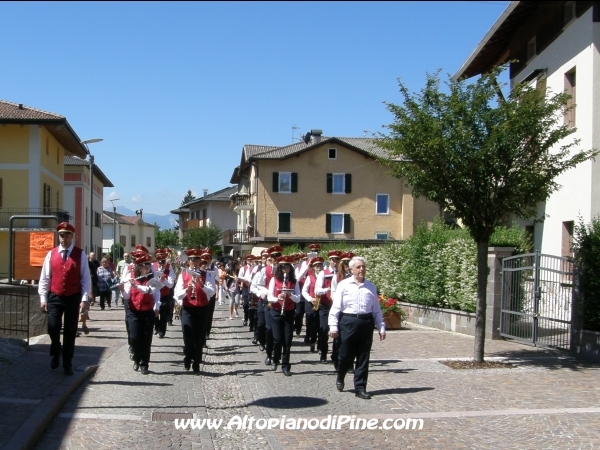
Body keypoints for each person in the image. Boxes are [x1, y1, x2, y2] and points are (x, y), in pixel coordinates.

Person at [38, 222, 92, 375]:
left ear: (71, 236)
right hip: (55, 295)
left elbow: (85, 279)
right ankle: (56, 350)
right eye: (61, 235)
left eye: (67, 235)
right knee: (53, 327)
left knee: (70, 330)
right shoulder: (51, 254)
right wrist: (43, 298)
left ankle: (67, 363)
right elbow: (45, 278)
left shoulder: (80, 254)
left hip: (72, 296)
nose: (64, 238)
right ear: (58, 236)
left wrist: (84, 299)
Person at [329, 257, 386, 399]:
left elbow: (376, 310)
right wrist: (333, 326)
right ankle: (340, 375)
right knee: (345, 354)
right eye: (358, 267)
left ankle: (360, 388)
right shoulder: (344, 285)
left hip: (366, 322)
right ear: (351, 269)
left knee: (363, 356)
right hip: (348, 321)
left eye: (363, 267)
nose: (361, 269)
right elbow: (336, 307)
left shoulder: (371, 286)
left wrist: (381, 326)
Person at [174, 249, 215, 373]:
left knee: (199, 337)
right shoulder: (183, 275)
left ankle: (196, 362)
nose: (195, 262)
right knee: (188, 335)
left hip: (202, 308)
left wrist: (201, 285)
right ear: (189, 261)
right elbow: (177, 294)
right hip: (188, 308)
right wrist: (187, 289)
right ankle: (188, 356)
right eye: (192, 259)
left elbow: (212, 292)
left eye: (197, 259)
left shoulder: (207, 274)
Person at [119, 253, 160, 374]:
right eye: (144, 266)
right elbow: (127, 295)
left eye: (148, 265)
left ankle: (144, 363)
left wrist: (136, 286)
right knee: (134, 338)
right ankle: (136, 359)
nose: (147, 268)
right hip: (133, 312)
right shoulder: (130, 276)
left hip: (147, 312)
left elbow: (151, 291)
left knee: (146, 339)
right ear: (138, 267)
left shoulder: (152, 278)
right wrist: (122, 290)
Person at [268, 255, 301, 376]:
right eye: (283, 267)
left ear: (290, 268)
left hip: (289, 312)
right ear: (280, 268)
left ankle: (286, 365)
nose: (285, 269)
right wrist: (277, 298)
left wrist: (289, 295)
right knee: (277, 340)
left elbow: (298, 299)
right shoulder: (274, 280)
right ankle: (275, 358)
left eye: (287, 267)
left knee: (287, 341)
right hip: (276, 312)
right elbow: (269, 297)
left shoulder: (294, 282)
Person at [314, 250, 342, 363]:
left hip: (338, 306)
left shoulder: (342, 274)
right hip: (325, 305)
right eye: (332, 260)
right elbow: (317, 290)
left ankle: (336, 354)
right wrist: (327, 289)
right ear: (329, 261)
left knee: (337, 331)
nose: (334, 262)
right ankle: (324, 353)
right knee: (324, 329)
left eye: (336, 260)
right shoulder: (323, 273)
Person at [302, 256, 324, 353]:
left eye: (320, 266)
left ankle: (320, 345)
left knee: (322, 326)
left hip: (323, 304)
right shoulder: (309, 277)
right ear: (313, 267)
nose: (319, 267)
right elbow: (304, 291)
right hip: (312, 303)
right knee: (313, 325)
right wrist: (311, 299)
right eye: (317, 266)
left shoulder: (325, 276)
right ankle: (313, 341)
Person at [152, 249, 176, 338]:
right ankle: (156, 327)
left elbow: (170, 285)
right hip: (154, 294)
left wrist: (164, 279)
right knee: (154, 311)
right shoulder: (152, 266)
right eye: (160, 262)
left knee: (163, 313)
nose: (161, 264)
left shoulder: (169, 268)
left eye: (163, 262)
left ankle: (162, 331)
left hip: (165, 294)